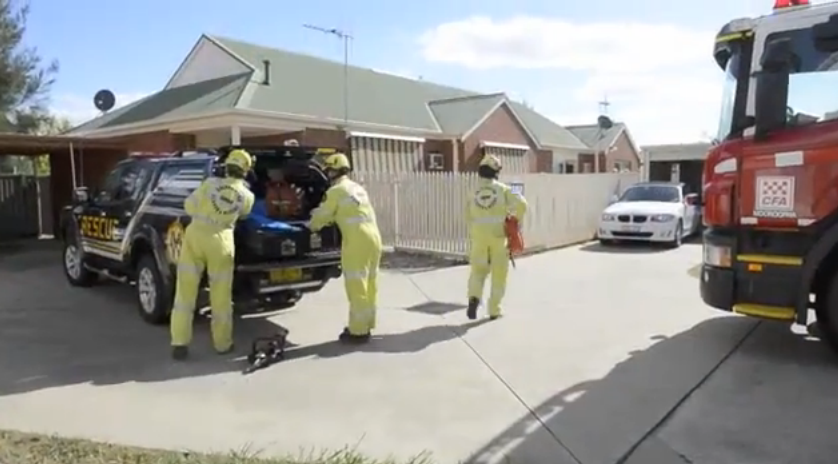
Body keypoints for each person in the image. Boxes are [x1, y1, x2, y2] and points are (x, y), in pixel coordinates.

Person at [170, 149, 255, 360]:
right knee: (221, 296)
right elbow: (244, 214)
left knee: (185, 293)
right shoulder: (247, 195)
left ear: (227, 166)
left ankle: (179, 343)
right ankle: (222, 344)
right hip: (222, 241)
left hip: (195, 235)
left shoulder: (209, 185)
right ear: (245, 171)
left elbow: (188, 206)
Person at [309, 152, 382, 344]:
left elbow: (322, 217)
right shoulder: (357, 188)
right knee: (370, 284)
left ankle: (358, 332)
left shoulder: (335, 191)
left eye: (328, 171)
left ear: (332, 171)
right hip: (374, 239)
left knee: (356, 286)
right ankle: (367, 323)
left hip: (356, 241)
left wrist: (310, 224)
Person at [466, 154, 527, 320]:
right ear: (496, 172)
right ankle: (494, 309)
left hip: (479, 239)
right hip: (499, 239)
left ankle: (473, 297)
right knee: (498, 275)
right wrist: (515, 219)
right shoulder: (504, 188)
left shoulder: (472, 192)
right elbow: (522, 204)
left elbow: (467, 216)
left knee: (478, 272)